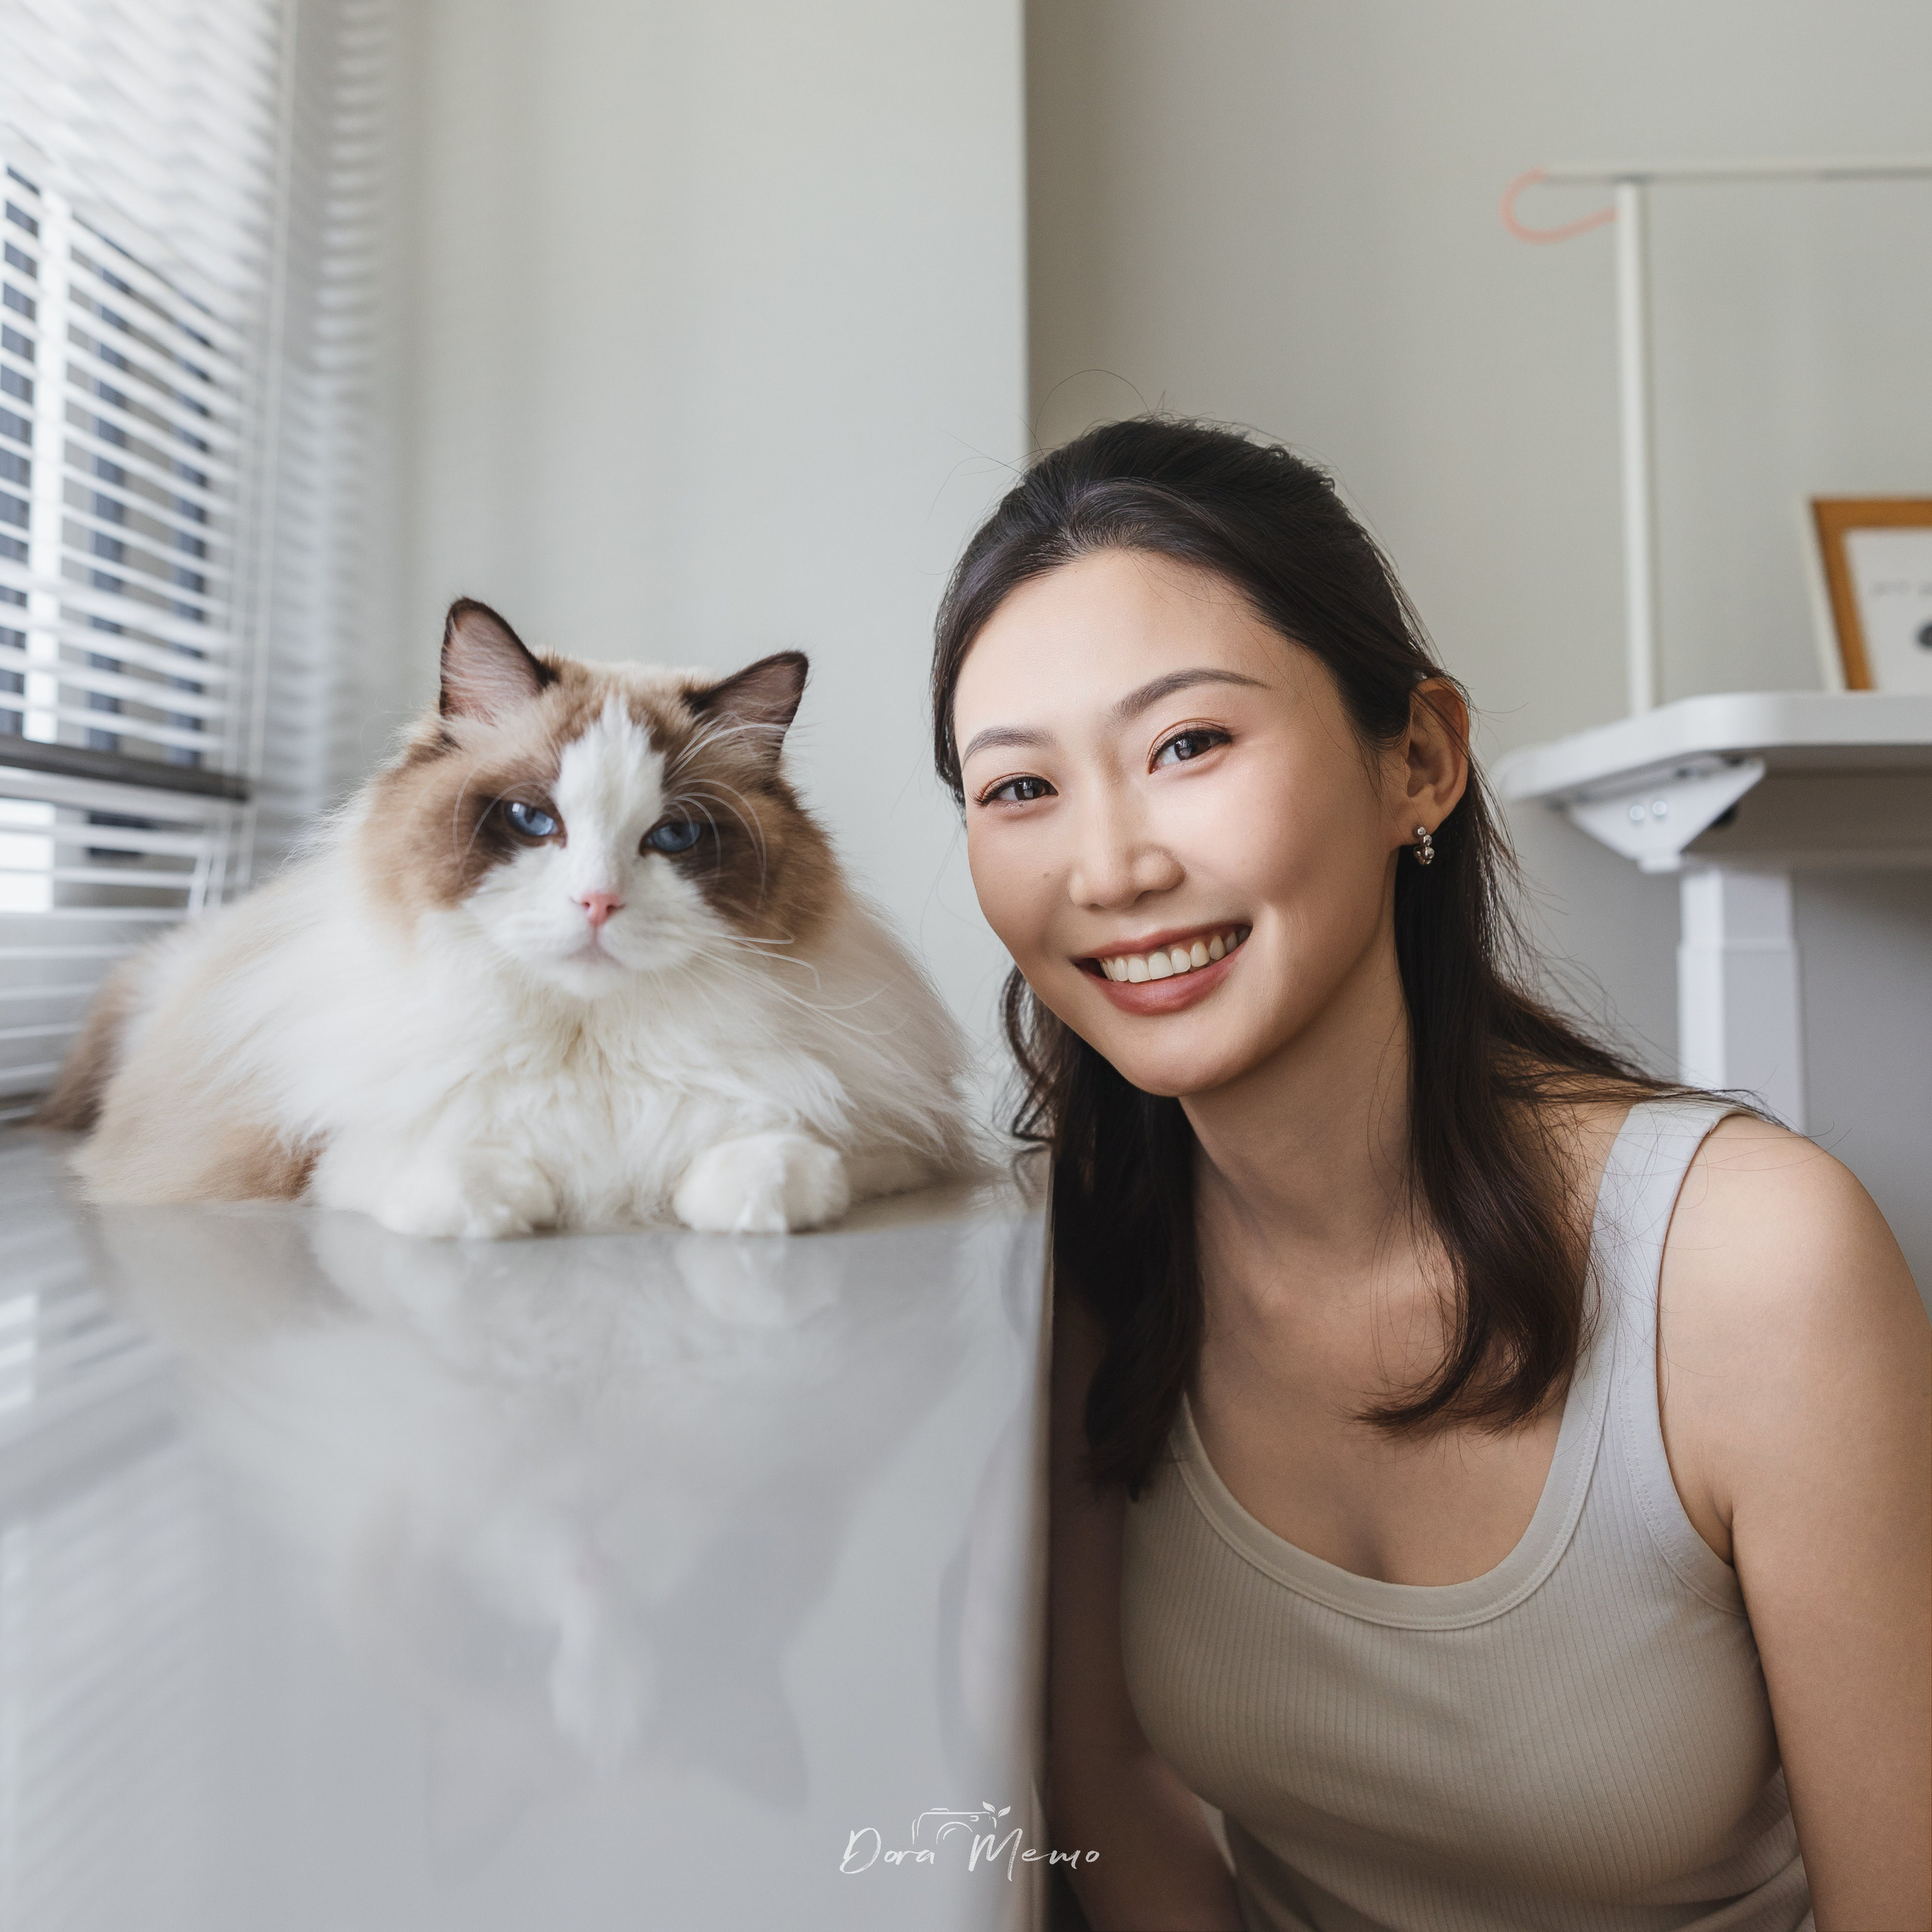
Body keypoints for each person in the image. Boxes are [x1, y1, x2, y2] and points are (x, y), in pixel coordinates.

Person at [931, 419, 1930, 1932]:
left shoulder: (1751, 1258)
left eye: (1185, 744)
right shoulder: (1072, 1264)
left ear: (1419, 758)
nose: (1107, 866)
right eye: (1017, 789)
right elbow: (1107, 1777)